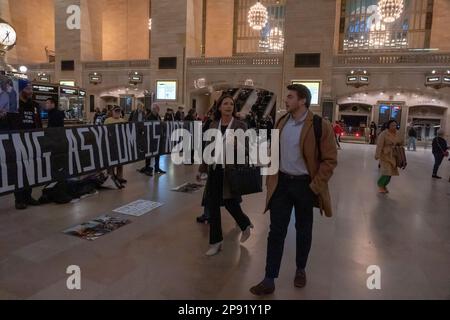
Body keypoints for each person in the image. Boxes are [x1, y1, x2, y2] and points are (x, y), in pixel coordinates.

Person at [249, 84, 337, 296]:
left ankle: (300, 268)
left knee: (303, 230)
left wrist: (315, 186)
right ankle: (269, 278)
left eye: (290, 97)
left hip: (305, 186)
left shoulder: (319, 125)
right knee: (276, 232)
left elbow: (330, 160)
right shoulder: (281, 122)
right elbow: (275, 152)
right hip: (282, 185)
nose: (285, 100)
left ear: (302, 101)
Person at [196, 95, 253, 256]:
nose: (229, 106)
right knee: (213, 206)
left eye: (231, 104)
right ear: (219, 107)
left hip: (230, 172)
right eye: (225, 103)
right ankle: (216, 241)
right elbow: (208, 149)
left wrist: (237, 145)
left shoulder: (240, 125)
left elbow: (247, 150)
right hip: (215, 171)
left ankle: (245, 224)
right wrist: (202, 169)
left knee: (230, 203)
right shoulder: (214, 124)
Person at [12, 80, 43, 210]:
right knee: (19, 170)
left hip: (31, 141)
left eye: (31, 88)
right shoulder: (12, 105)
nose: (31, 91)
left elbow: (38, 123)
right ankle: (19, 199)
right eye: (28, 89)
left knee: (30, 169)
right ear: (20, 90)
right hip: (16, 141)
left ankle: (28, 195)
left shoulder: (34, 105)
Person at [375, 120, 404, 193]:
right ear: (388, 126)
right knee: (386, 172)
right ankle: (380, 185)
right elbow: (379, 145)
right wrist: (377, 155)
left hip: (394, 155)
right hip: (385, 155)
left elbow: (401, 141)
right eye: (392, 125)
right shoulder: (384, 134)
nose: (394, 127)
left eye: (395, 125)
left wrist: (398, 144)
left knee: (391, 173)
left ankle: (384, 186)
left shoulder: (398, 133)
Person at [104, 106, 127, 185]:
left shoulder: (123, 120)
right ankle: (111, 177)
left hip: (120, 144)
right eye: (116, 111)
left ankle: (119, 177)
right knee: (111, 161)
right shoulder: (107, 120)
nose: (117, 113)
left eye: (118, 111)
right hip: (110, 144)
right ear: (112, 112)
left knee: (120, 161)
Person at [144, 103, 166, 175]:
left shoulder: (158, 116)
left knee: (157, 153)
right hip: (151, 138)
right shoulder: (149, 117)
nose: (158, 110)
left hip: (157, 137)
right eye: (156, 109)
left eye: (158, 109)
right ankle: (148, 168)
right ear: (153, 109)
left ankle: (157, 167)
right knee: (149, 154)